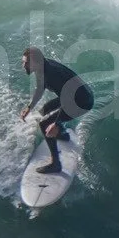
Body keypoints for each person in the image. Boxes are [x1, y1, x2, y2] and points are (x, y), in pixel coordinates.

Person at [21, 46, 95, 176]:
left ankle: (56, 164)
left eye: (26, 63)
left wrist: (55, 123)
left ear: (36, 62)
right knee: (44, 110)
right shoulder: (41, 67)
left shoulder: (52, 73)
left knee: (44, 124)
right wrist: (29, 107)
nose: (24, 65)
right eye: (24, 62)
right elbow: (40, 88)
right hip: (74, 95)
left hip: (82, 101)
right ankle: (62, 134)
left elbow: (68, 100)